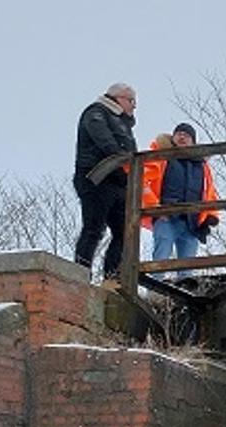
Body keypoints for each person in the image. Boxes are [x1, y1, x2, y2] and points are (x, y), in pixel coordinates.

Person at [73, 83, 138, 282]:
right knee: (94, 228)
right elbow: (106, 143)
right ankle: (80, 274)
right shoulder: (96, 113)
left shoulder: (123, 122)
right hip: (96, 179)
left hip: (118, 181)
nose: (134, 106)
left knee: (124, 231)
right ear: (118, 98)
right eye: (132, 101)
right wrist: (126, 160)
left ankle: (112, 277)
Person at [140, 123, 220, 261]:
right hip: (166, 216)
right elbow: (142, 181)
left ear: (193, 142)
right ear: (173, 138)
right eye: (179, 134)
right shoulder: (161, 156)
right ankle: (158, 281)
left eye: (187, 135)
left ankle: (185, 282)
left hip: (192, 221)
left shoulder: (201, 166)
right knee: (161, 256)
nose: (182, 137)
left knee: (188, 264)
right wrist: (154, 207)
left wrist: (210, 215)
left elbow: (209, 191)